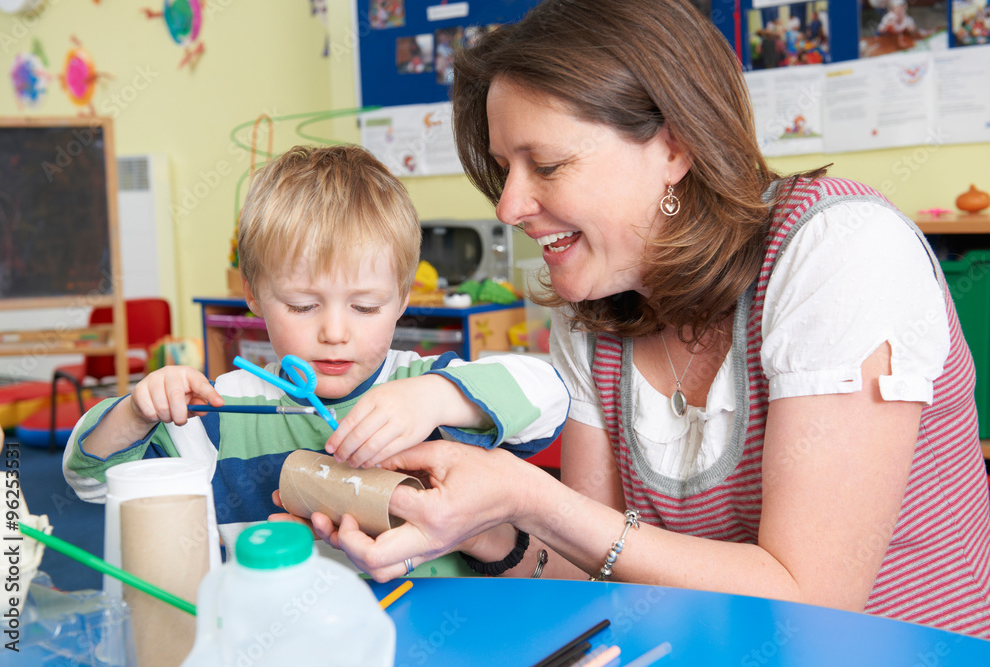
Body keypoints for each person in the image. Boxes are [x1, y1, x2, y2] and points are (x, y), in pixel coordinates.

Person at [312, 0, 990, 638]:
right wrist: (488, 525)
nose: (509, 205)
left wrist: (534, 498)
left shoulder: (839, 251)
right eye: (503, 169)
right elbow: (584, 574)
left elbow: (810, 600)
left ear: (674, 147)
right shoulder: (593, 312)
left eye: (545, 164)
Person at [62, 144, 569, 559]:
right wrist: (136, 409)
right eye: (303, 306)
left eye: (365, 307)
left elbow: (549, 399)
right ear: (255, 294)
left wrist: (437, 398)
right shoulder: (214, 416)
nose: (334, 332)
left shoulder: (422, 387)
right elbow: (92, 482)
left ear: (403, 299)